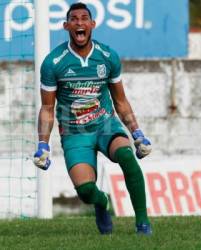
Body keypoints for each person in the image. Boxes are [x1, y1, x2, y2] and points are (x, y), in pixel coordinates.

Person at [33, 2, 152, 235]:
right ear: (66, 25)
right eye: (74, 19)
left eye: (84, 18)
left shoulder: (107, 56)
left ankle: (143, 223)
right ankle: (101, 202)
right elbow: (48, 107)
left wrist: (137, 133)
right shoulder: (53, 63)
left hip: (105, 124)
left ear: (92, 24)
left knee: (127, 156)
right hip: (75, 132)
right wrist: (43, 145)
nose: (79, 23)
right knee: (86, 190)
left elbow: (120, 101)